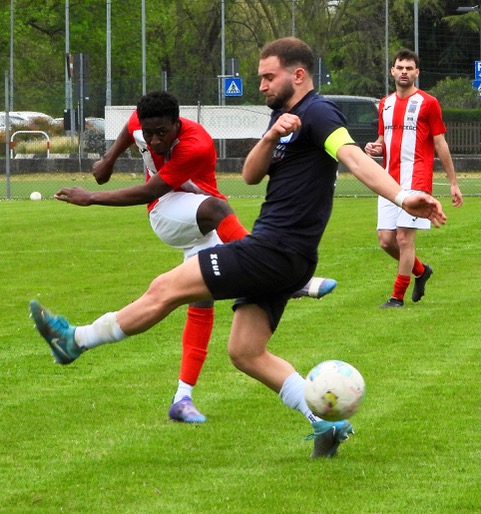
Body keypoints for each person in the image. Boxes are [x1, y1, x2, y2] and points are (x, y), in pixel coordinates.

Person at [30, 37, 446, 459]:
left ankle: (75, 340)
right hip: (285, 256)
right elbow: (249, 175)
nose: (261, 85)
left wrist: (402, 197)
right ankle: (326, 422)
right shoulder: (282, 117)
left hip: (274, 249)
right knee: (246, 352)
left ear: (298, 75)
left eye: (268, 77)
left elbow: (353, 158)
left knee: (166, 288)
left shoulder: (319, 112)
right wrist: (270, 137)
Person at [54, 91, 336, 424]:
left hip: (191, 212)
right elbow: (131, 130)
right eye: (150, 133)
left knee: (204, 301)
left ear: (178, 124)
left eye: (162, 133)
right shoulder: (141, 122)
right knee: (209, 226)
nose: (155, 141)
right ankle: (282, 278)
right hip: (169, 212)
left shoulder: (196, 144)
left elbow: (148, 189)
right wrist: (109, 160)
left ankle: (182, 397)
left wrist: (91, 197)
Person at [365, 49, 463, 309]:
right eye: (400, 67)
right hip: (389, 180)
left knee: (403, 238)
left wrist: (453, 182)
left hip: (417, 179)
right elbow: (383, 139)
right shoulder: (385, 104)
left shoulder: (428, 103)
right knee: (386, 241)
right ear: (392, 71)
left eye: (409, 68)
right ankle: (421, 270)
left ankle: (397, 297)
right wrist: (375, 147)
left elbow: (440, 143)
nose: (404, 72)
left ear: (417, 72)